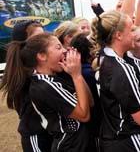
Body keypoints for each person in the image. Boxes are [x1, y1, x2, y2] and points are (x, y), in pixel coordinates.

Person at [96, 9, 140, 152]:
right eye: (131, 30)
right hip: (130, 139)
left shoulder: (104, 55)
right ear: (118, 35)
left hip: (112, 136)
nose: (134, 33)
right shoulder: (121, 69)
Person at [26, 33, 91, 151]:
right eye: (58, 47)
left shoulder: (57, 77)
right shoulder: (44, 86)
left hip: (80, 143)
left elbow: (90, 102)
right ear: (42, 56)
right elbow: (84, 115)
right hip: (71, 145)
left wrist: (77, 75)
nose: (65, 50)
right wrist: (76, 76)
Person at [0, 21, 49, 152]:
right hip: (37, 135)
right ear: (24, 43)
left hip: (51, 132)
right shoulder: (23, 71)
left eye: (44, 35)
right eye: (38, 37)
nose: (44, 40)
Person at [71, 33, 101, 152]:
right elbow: (94, 101)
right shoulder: (89, 73)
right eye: (93, 46)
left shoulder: (76, 71)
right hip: (96, 122)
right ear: (89, 50)